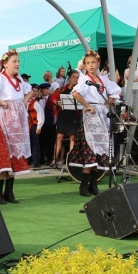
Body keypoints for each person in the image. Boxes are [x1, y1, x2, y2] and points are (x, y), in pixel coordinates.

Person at [0, 49, 33, 205]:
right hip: (3, 119)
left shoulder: (19, 80)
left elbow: (30, 92)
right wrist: (0, 101)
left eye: (18, 61)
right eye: (14, 61)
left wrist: (23, 102)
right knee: (3, 154)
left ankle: (9, 192)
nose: (17, 64)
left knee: (14, 154)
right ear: (5, 64)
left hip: (16, 122)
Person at [70, 50, 121, 197]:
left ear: (98, 64)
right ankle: (84, 185)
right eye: (88, 63)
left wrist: (109, 101)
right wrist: (87, 105)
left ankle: (93, 184)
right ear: (85, 65)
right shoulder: (84, 79)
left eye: (93, 62)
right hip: (91, 117)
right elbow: (75, 93)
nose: (91, 65)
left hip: (102, 115)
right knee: (90, 150)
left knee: (99, 151)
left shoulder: (103, 79)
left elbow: (117, 90)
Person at [52, 70, 80, 167]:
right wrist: (57, 102)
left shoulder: (79, 90)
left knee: (73, 137)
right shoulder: (63, 88)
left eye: (77, 77)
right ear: (69, 78)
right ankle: (54, 160)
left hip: (74, 115)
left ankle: (70, 160)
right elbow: (53, 97)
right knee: (59, 137)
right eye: (73, 77)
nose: (75, 79)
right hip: (63, 115)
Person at [38, 82, 57, 166]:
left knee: (50, 142)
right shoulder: (39, 99)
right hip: (42, 124)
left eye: (48, 89)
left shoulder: (52, 99)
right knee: (42, 142)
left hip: (50, 123)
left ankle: (50, 159)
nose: (46, 91)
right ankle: (41, 159)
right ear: (41, 90)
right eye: (45, 89)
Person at [27, 84, 44, 167]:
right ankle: (28, 160)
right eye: (33, 91)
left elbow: (41, 115)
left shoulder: (35, 103)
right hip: (27, 125)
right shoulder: (26, 101)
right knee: (28, 143)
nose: (35, 93)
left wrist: (39, 127)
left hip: (34, 125)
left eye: (37, 91)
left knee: (35, 143)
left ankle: (36, 161)